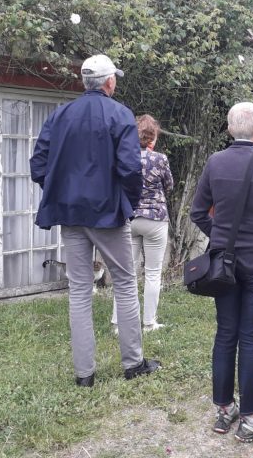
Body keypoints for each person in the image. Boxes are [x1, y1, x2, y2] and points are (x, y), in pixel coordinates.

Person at [30, 54, 160, 387]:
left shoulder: (61, 114)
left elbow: (38, 164)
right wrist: (127, 203)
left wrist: (62, 190)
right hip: (107, 214)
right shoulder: (120, 114)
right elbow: (131, 168)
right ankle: (133, 364)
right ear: (109, 82)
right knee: (126, 283)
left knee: (79, 291)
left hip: (71, 214)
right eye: (114, 77)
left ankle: (84, 375)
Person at [190, 102, 253, 443]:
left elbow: (197, 212)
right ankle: (251, 418)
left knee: (225, 334)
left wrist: (219, 235)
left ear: (230, 128)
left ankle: (225, 410)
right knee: (250, 337)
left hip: (224, 263)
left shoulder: (216, 162)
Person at [112, 115, 174, 333]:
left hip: (128, 219)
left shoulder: (123, 157)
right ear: (153, 137)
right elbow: (169, 185)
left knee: (126, 273)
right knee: (153, 272)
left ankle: (118, 324)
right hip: (155, 219)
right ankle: (149, 323)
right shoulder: (160, 159)